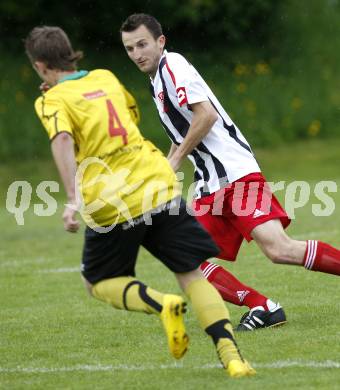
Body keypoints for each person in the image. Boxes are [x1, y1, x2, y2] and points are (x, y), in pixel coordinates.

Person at [24, 26, 255, 378]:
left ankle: (163, 305)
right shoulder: (105, 77)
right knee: (192, 274)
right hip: (156, 181)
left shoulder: (51, 100)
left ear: (41, 66)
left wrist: (72, 198)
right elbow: (129, 118)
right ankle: (234, 359)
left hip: (110, 199)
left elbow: (63, 140)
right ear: (69, 53)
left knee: (96, 282)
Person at [120, 13, 340, 331]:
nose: (137, 53)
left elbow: (205, 115)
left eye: (142, 44)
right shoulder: (157, 81)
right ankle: (263, 307)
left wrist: (175, 160)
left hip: (233, 175)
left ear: (160, 42)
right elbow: (181, 135)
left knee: (279, 249)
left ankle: (264, 307)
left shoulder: (174, 67)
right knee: (184, 255)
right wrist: (164, 171)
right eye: (129, 48)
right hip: (211, 183)